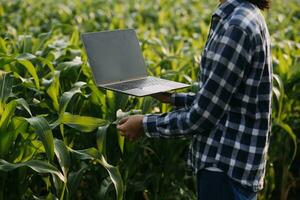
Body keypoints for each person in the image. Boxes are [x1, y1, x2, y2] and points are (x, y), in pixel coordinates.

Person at [117, 0, 272, 199]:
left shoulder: (237, 26)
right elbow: (224, 102)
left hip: (224, 167)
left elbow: (203, 117)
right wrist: (173, 99)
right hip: (233, 165)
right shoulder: (246, 15)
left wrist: (144, 124)